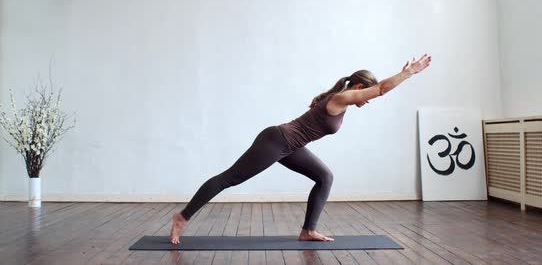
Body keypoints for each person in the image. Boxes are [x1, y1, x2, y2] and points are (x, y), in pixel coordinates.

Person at [169, 54, 432, 244]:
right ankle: (183, 216)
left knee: (324, 177)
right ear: (359, 88)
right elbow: (383, 89)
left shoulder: (342, 102)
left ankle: (308, 230)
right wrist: (409, 73)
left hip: (291, 146)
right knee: (230, 178)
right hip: (276, 141)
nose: (368, 100)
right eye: (367, 94)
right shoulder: (341, 98)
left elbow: (379, 89)